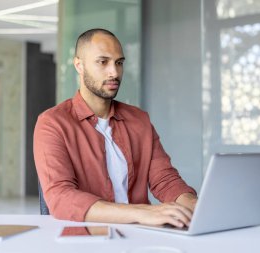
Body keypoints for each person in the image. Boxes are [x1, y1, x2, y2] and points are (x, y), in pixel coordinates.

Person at [33, 28, 197, 228]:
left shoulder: (139, 120)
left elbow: (165, 180)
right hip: (86, 237)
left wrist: (194, 205)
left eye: (119, 63)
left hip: (140, 235)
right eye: (103, 62)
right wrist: (143, 212)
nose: (114, 72)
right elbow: (61, 198)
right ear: (79, 65)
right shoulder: (52, 123)